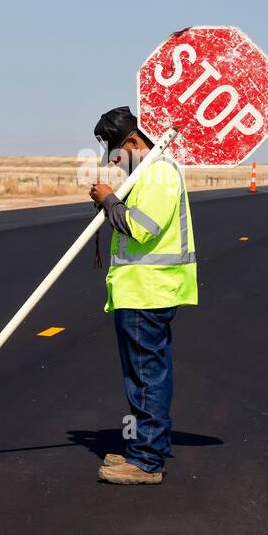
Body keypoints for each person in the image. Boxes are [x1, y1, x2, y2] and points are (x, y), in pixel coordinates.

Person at [88, 107, 197, 485]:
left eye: (117, 155)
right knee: (143, 375)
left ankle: (147, 461)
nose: (115, 164)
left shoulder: (159, 173)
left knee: (147, 377)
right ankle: (144, 451)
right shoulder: (147, 174)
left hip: (147, 292)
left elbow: (140, 228)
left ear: (134, 142)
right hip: (141, 292)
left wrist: (108, 200)